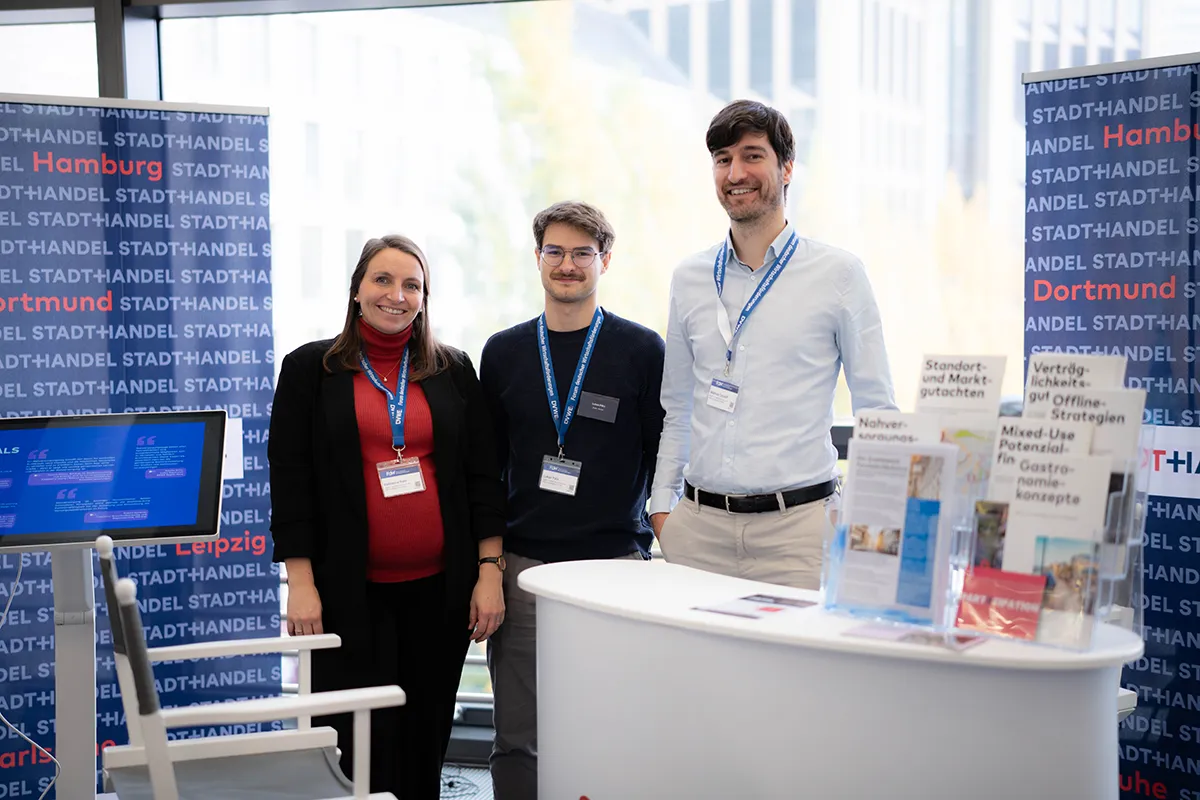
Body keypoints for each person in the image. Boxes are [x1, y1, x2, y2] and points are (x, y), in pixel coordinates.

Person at [267, 235, 506, 799]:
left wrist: (489, 571)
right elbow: (291, 480)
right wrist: (300, 582)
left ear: (424, 299)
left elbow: (483, 475)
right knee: (351, 746)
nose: (396, 295)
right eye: (382, 280)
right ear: (356, 290)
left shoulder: (452, 369)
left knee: (424, 739)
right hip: (345, 593)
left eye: (411, 285)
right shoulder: (310, 369)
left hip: (440, 594)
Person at [649, 99, 897, 590]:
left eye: (752, 155)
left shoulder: (839, 275)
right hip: (698, 532)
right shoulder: (689, 277)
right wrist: (662, 509)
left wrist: (864, 521)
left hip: (799, 536)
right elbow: (677, 407)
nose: (735, 173)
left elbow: (877, 410)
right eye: (723, 159)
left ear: (787, 168)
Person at [479, 201, 665, 800]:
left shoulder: (642, 350)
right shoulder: (503, 352)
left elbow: (664, 459)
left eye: (583, 253)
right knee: (518, 737)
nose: (567, 265)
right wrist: (488, 567)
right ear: (537, 258)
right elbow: (484, 473)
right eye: (555, 251)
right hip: (523, 569)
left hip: (615, 569)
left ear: (605, 260)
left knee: (615, 727)